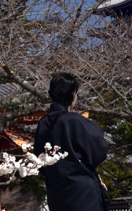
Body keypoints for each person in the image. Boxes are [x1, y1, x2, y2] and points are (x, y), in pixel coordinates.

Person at [33, 73, 109, 211]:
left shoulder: (43, 123)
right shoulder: (74, 121)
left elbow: (39, 158)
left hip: (56, 192)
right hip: (82, 193)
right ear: (73, 95)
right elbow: (100, 149)